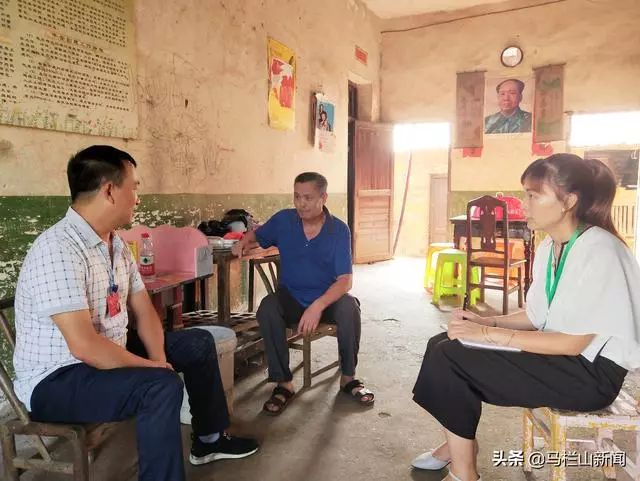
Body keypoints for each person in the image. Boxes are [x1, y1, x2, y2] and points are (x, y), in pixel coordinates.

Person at [12, 145, 259, 481]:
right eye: (135, 187)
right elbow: (84, 346)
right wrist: (153, 370)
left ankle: (209, 440)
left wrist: (158, 359)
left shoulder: (115, 244)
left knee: (198, 343)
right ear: (109, 191)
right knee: (159, 387)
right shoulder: (57, 249)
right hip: (58, 379)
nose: (138, 199)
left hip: (106, 354)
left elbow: (143, 311)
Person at [411, 153, 640, 481]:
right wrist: (483, 322)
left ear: (569, 201)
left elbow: (574, 343)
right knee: (442, 343)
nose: (523, 204)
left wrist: (488, 336)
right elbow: (536, 315)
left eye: (533, 195)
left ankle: (464, 471)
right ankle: (459, 444)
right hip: (562, 358)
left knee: (452, 357)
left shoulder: (601, 250)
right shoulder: (551, 247)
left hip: (591, 375)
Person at [231, 172, 373, 415]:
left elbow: (345, 281)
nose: (301, 203)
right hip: (292, 297)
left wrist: (317, 306)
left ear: (323, 198)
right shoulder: (284, 221)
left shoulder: (339, 230)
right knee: (268, 308)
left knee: (350, 308)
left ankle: (348, 378)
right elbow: (258, 233)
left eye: (308, 197)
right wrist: (244, 240)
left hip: (326, 300)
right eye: (297, 196)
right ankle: (283, 383)